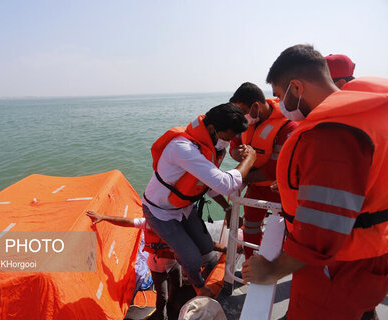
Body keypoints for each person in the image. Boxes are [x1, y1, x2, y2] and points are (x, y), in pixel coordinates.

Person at [242, 44, 388, 320]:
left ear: (297, 88)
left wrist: (272, 270)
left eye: (282, 95)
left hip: (339, 267)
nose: (282, 106)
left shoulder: (331, 133)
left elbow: (320, 233)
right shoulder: (384, 113)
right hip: (378, 254)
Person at [143, 103, 256, 298]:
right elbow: (225, 183)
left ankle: (186, 256)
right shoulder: (182, 148)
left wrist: (227, 207)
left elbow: (205, 185)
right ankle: (197, 284)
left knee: (205, 246)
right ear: (212, 129)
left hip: (184, 207)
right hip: (159, 211)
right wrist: (249, 159)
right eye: (227, 138)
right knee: (192, 257)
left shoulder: (207, 146)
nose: (227, 143)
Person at [86, 210, 235, 320]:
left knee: (177, 284)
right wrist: (104, 217)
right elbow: (126, 221)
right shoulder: (148, 224)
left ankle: (172, 305)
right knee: (162, 296)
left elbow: (200, 243)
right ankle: (161, 316)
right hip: (157, 267)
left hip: (172, 264)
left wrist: (225, 249)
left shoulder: (176, 228)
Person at [229, 82, 298, 258]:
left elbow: (275, 169)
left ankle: (274, 264)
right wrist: (236, 154)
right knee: (250, 226)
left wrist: (242, 177)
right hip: (255, 188)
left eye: (243, 111)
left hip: (281, 191)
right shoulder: (244, 122)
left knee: (284, 231)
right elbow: (233, 145)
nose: (241, 117)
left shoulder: (288, 126)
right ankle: (250, 263)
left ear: (256, 107)